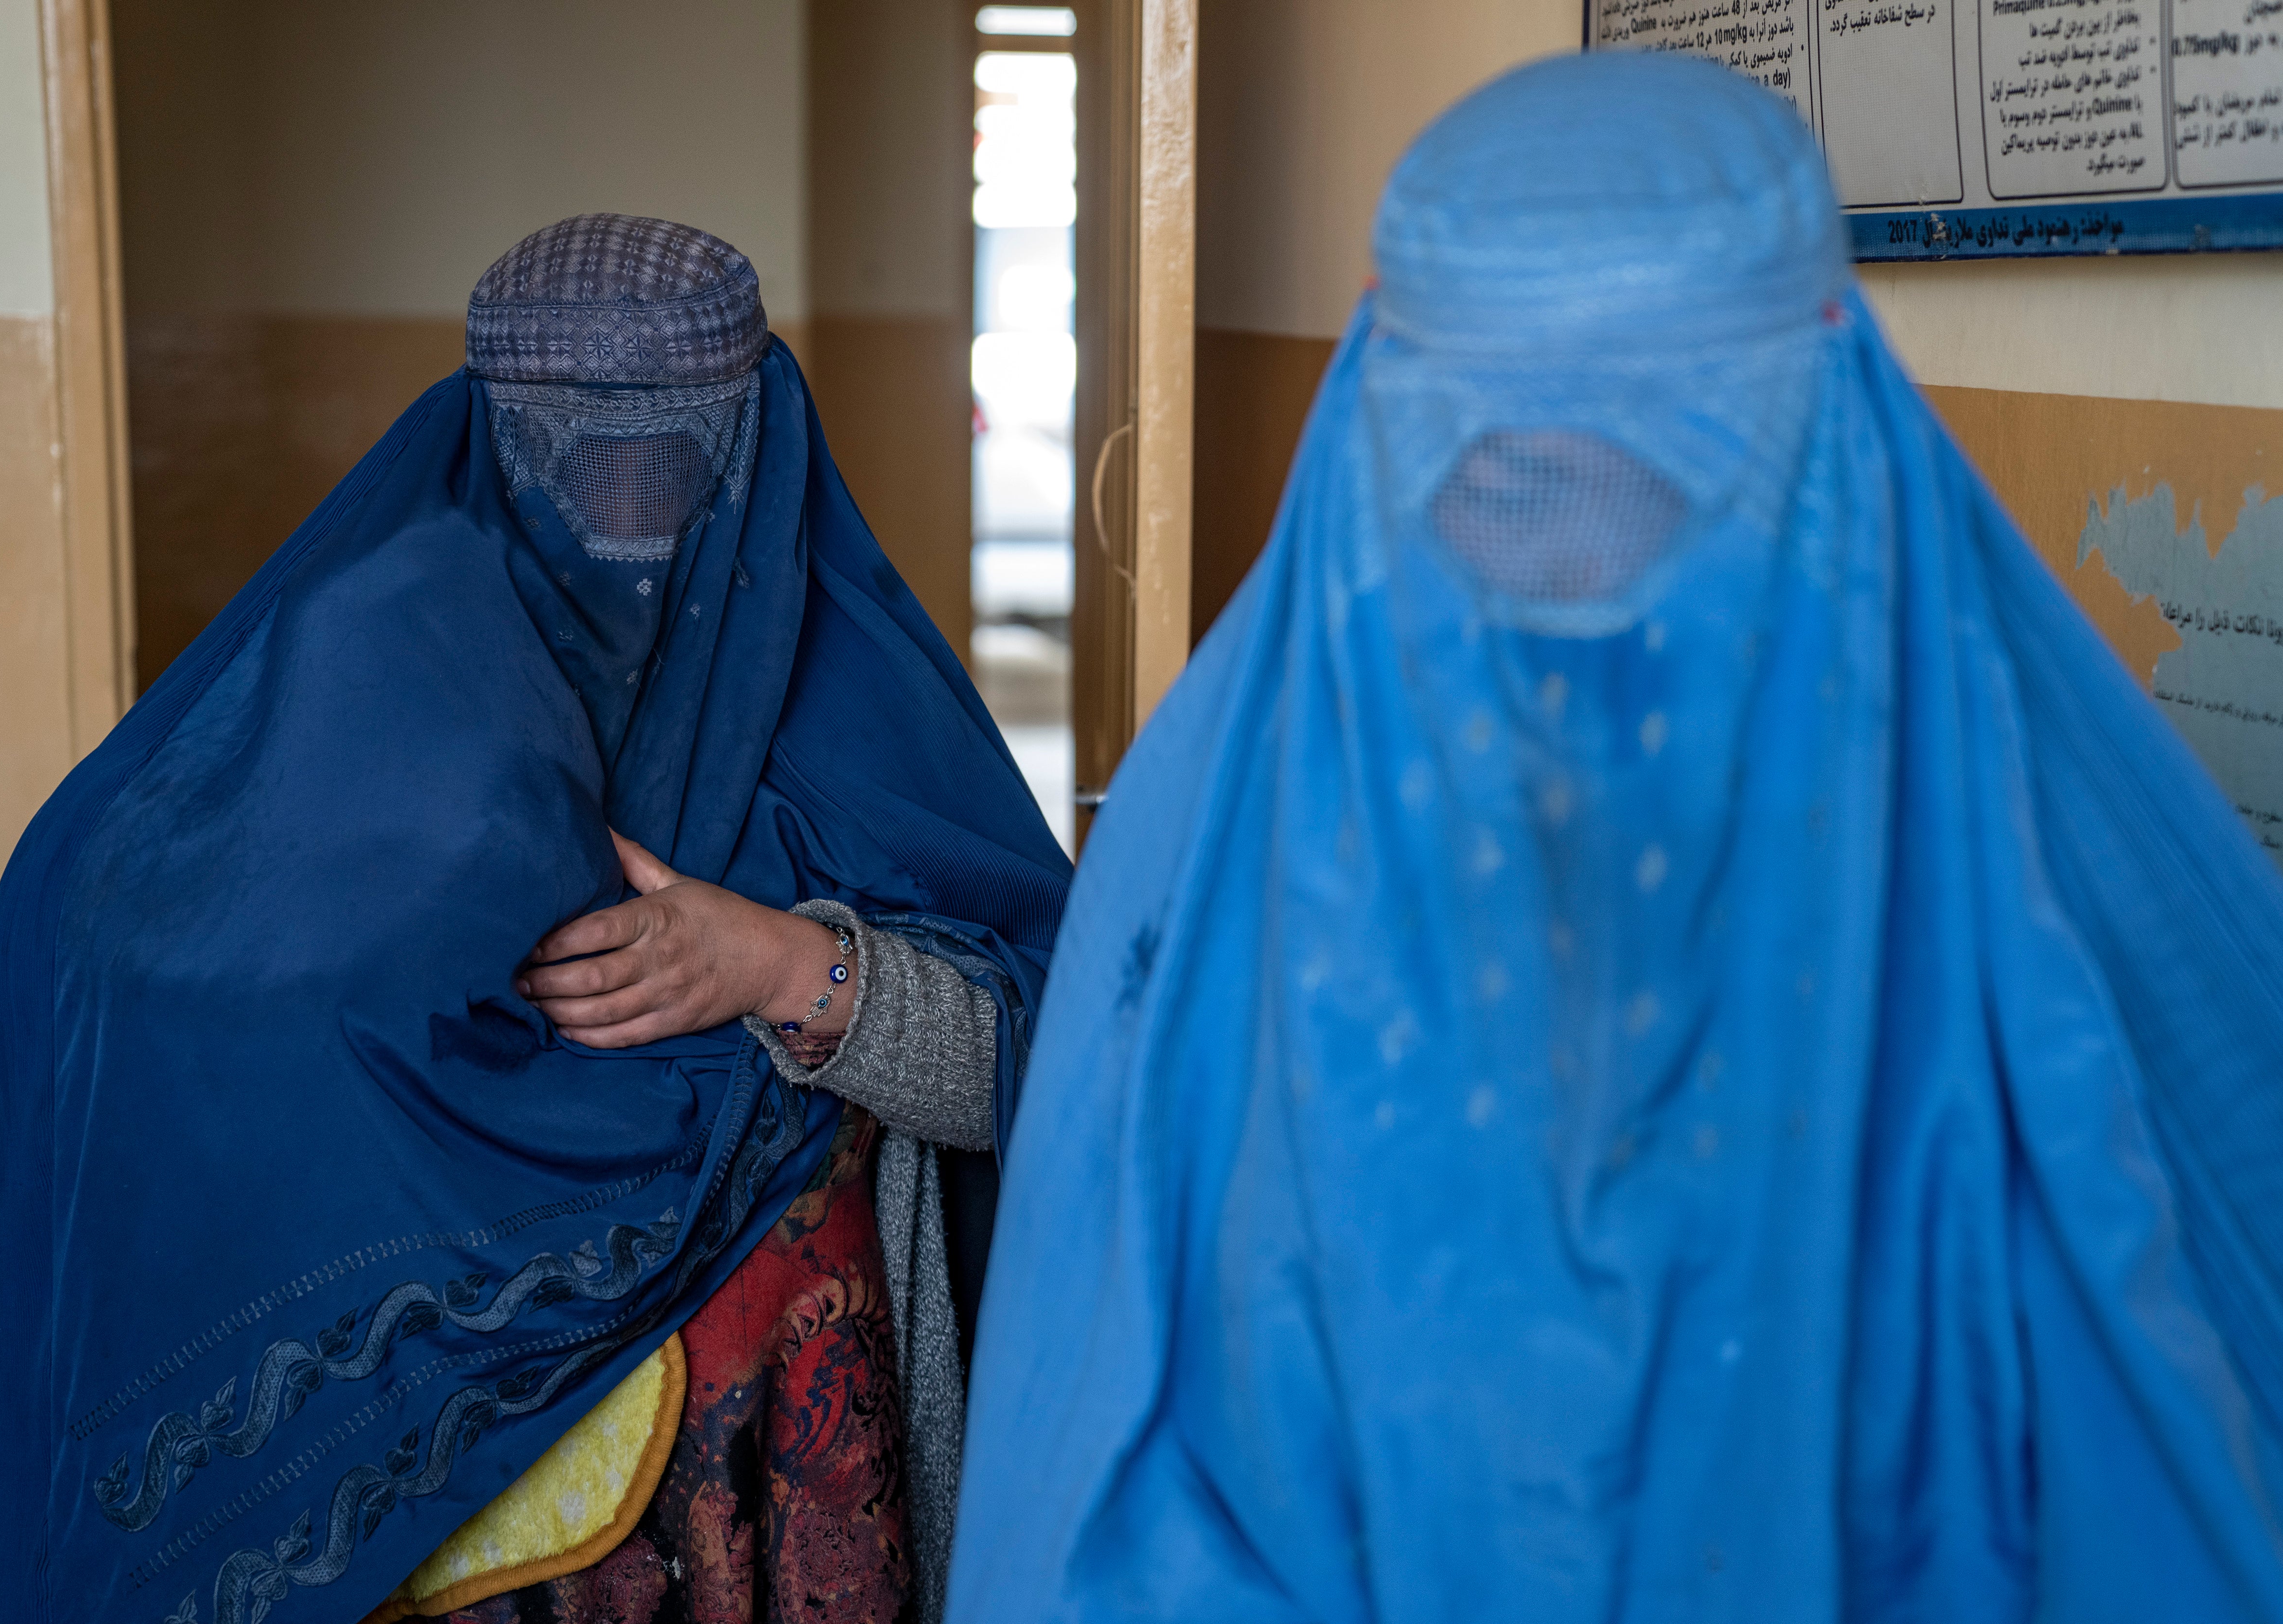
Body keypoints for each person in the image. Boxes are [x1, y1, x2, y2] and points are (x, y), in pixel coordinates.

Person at [946, 54, 2283, 1622]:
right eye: (1504, 495)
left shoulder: (2062, 898)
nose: (1580, 591)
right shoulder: (1186, 898)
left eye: (1664, 498)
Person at [0, 214, 1066, 1624]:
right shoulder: (366, 658)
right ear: (485, 431)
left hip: (779, 1511)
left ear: (759, 430)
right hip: (439, 1523)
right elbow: (113, 964)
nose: (620, 492)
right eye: (564, 437)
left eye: (674, 438)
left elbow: (1044, 1072)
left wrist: (776, 960)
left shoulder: (854, 694)